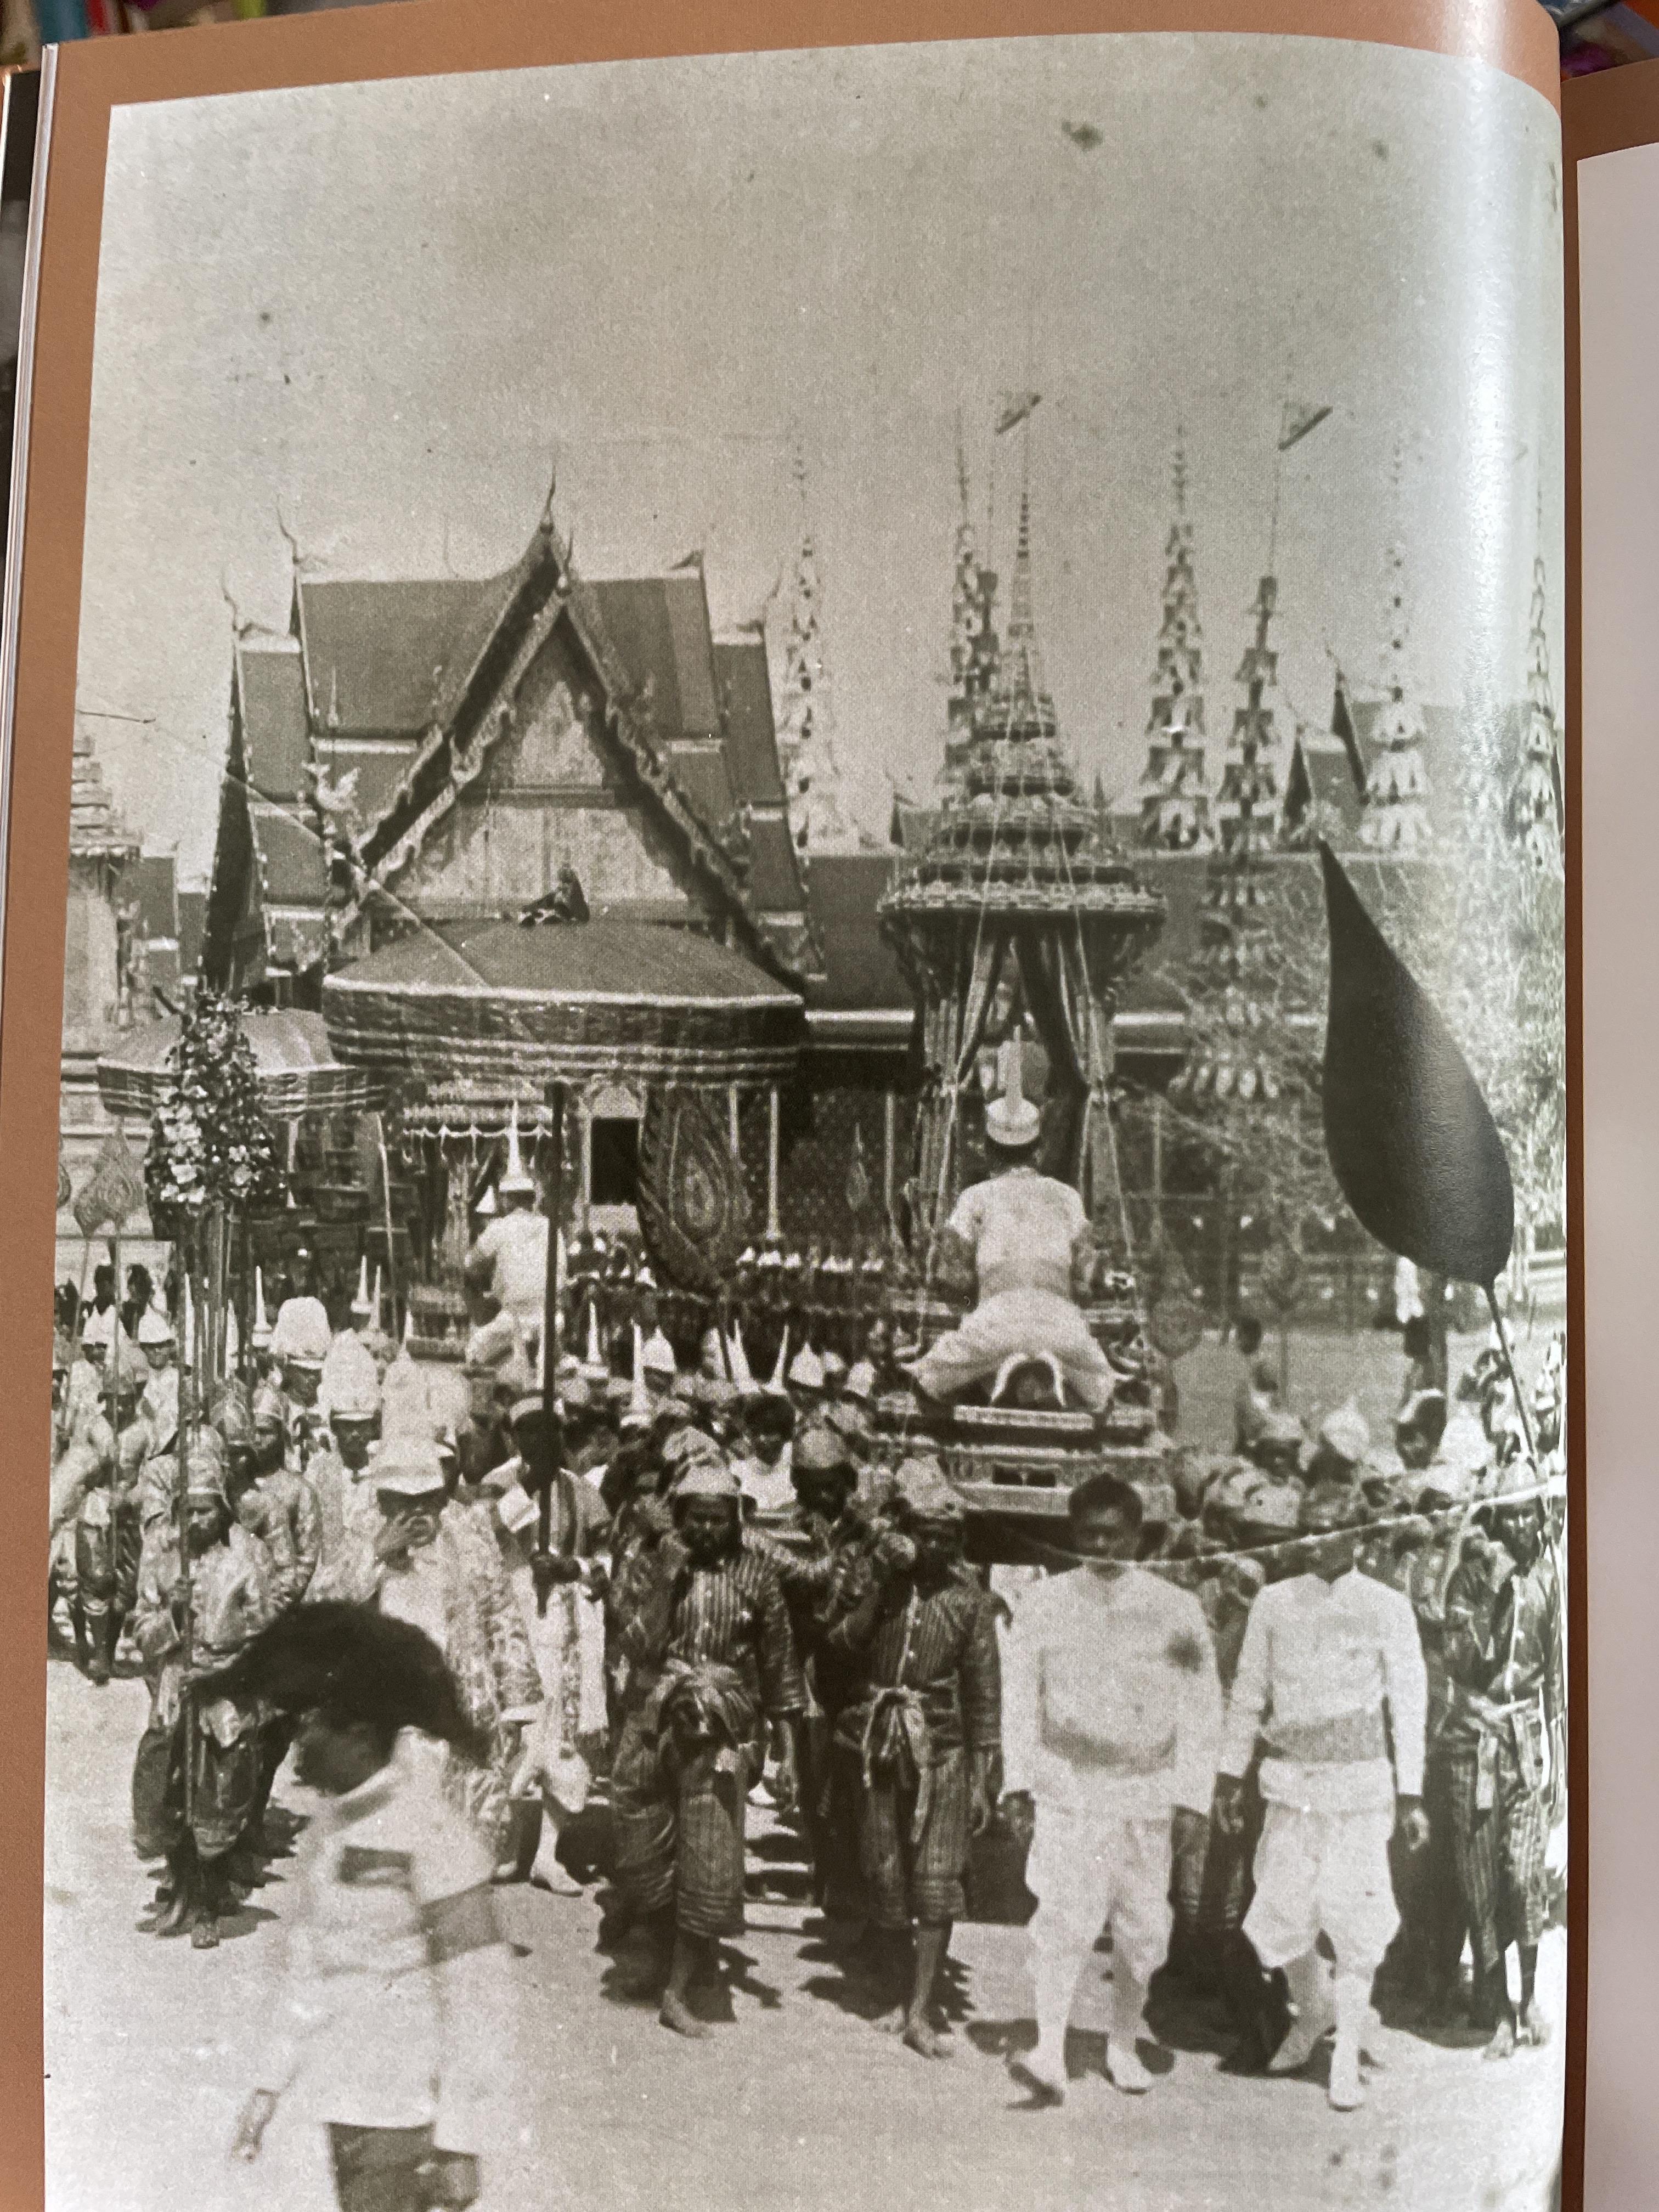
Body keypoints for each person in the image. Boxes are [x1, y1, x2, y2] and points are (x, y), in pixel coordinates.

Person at [222, 1604, 516, 2212]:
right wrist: (268, 2084)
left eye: (313, 1726)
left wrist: (462, 2140)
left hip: (407, 2119)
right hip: (343, 2108)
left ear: (358, 1737)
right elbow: (309, 1967)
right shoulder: (331, 1831)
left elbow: (478, 1991)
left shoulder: (432, 1831)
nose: (299, 1741)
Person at [1001, 1474, 1222, 2102]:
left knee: (1142, 1925)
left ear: (1138, 1536)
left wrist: (1193, 1797)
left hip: (1143, 1787)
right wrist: (1018, 1783)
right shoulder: (1043, 1604)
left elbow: (1202, 1706)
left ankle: (1123, 2043)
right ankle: (1049, 2048)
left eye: (1113, 1535)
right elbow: (1020, 1699)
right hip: (1068, 1783)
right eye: (1088, 1534)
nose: (1100, 1546)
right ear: (1074, 1534)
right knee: (1061, 1916)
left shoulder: (1175, 1609)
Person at [1214, 1485, 1429, 2110]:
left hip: (1360, 1789)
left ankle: (1345, 2056)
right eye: (1306, 1527)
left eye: (1328, 1529)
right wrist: (1229, 1775)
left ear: (1356, 1536)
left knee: (1355, 1919)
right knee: (1280, 1916)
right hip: (1291, 1786)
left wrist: (1411, 1794)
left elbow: (1409, 1701)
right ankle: (1313, 2010)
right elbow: (1248, 1693)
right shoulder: (1273, 1602)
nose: (1312, 1540)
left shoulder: (1387, 1606)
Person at [609, 1456, 804, 2036]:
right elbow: (636, 1647)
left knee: (710, 1857)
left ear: (737, 1519)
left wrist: (788, 1753)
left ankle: (677, 1988)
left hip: (721, 1727)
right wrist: (666, 1580)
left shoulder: (757, 1577)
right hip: (653, 1719)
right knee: (642, 1850)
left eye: (720, 1520)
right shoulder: (650, 1565)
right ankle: (670, 1957)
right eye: (697, 1518)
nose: (708, 1531)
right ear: (679, 1516)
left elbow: (780, 1668)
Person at [824, 1458, 1000, 2058]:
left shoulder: (969, 1602)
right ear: (902, 1529)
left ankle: (922, 2009)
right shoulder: (875, 1581)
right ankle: (899, 1991)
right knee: (886, 1871)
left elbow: (983, 1693)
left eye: (948, 1538)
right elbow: (840, 1644)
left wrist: (981, 1779)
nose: (936, 1547)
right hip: (877, 1743)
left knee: (936, 1879)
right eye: (926, 1535)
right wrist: (876, 1582)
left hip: (942, 1750)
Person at [311, 1436, 543, 1872]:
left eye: (427, 1501)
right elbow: (324, 1610)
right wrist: (374, 1555)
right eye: (402, 1501)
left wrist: (517, 1707)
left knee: (460, 1838)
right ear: (383, 1499)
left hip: (460, 1702)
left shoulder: (469, 1532)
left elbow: (501, 1614)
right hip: (386, 1714)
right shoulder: (364, 1531)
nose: (417, 1513)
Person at [906, 1044, 1115, 1412]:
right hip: (1061, 1327)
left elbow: (953, 1281)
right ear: (1038, 1151)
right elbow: (1088, 1281)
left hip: (995, 1326)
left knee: (927, 1376)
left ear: (988, 1151)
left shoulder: (975, 1197)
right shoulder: (1067, 1197)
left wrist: (974, 1301)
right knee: (1104, 1386)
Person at [130, 1441, 276, 1946]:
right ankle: (181, 1888)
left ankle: (211, 1901)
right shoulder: (164, 1564)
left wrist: (227, 1673)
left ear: (223, 1511)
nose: (197, 1521)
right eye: (188, 1511)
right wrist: (172, 1614)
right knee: (167, 1788)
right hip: (176, 1688)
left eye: (206, 1510)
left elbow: (263, 1636)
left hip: (223, 1691)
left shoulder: (244, 1564)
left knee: (216, 1794)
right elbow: (141, 1630)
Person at [1439, 1472, 1564, 2056]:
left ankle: (1529, 1997)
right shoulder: (1468, 1578)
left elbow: (1556, 1678)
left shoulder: (1548, 1580)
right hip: (1474, 1741)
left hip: (1526, 1739)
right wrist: (1490, 1588)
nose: (1519, 1524)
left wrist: (1561, 1766)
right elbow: (1459, 1661)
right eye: (1509, 1514)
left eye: (1527, 1513)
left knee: (1523, 1875)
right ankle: (1497, 2009)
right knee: (1480, 1885)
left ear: (1540, 1515)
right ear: (1495, 1519)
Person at [478, 1379, 612, 1886]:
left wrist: (574, 1569)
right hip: (512, 1620)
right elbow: (480, 1540)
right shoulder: (498, 1484)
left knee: (565, 1735)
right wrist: (523, 1496)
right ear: (515, 1437)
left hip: (568, 1625)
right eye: (528, 1432)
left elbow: (609, 1561)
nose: (540, 1441)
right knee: (515, 1729)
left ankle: (549, 1855)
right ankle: (511, 1844)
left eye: (549, 1431)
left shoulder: (583, 1492)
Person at [463, 1116, 549, 1355]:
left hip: (514, 1319)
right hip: (551, 1320)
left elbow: (470, 1263)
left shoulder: (500, 1228)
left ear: (509, 1200)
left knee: (474, 1352)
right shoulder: (551, 1227)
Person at [239, 1383, 322, 1609]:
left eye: (265, 1432)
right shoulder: (234, 1487)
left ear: (280, 1435)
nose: (257, 1439)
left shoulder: (300, 1490)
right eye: (252, 1432)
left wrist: (279, 1604)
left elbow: (306, 1559)